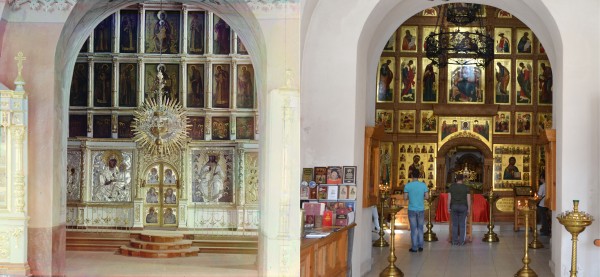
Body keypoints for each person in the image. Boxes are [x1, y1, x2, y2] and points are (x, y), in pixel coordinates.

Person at [404, 169, 429, 252]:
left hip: (411, 209)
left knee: (413, 228)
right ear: (419, 176)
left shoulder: (408, 186)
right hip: (421, 209)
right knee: (420, 228)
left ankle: (414, 247)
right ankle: (421, 246)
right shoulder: (423, 185)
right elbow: (427, 197)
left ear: (411, 176)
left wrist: (410, 197)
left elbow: (405, 198)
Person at [447, 173, 471, 245]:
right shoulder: (466, 187)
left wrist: (448, 207)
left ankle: (454, 241)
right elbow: (468, 199)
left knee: (454, 224)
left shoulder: (451, 187)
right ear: (463, 179)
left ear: (456, 179)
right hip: (463, 207)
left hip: (454, 206)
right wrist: (469, 209)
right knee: (462, 224)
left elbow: (449, 199)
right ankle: (461, 241)